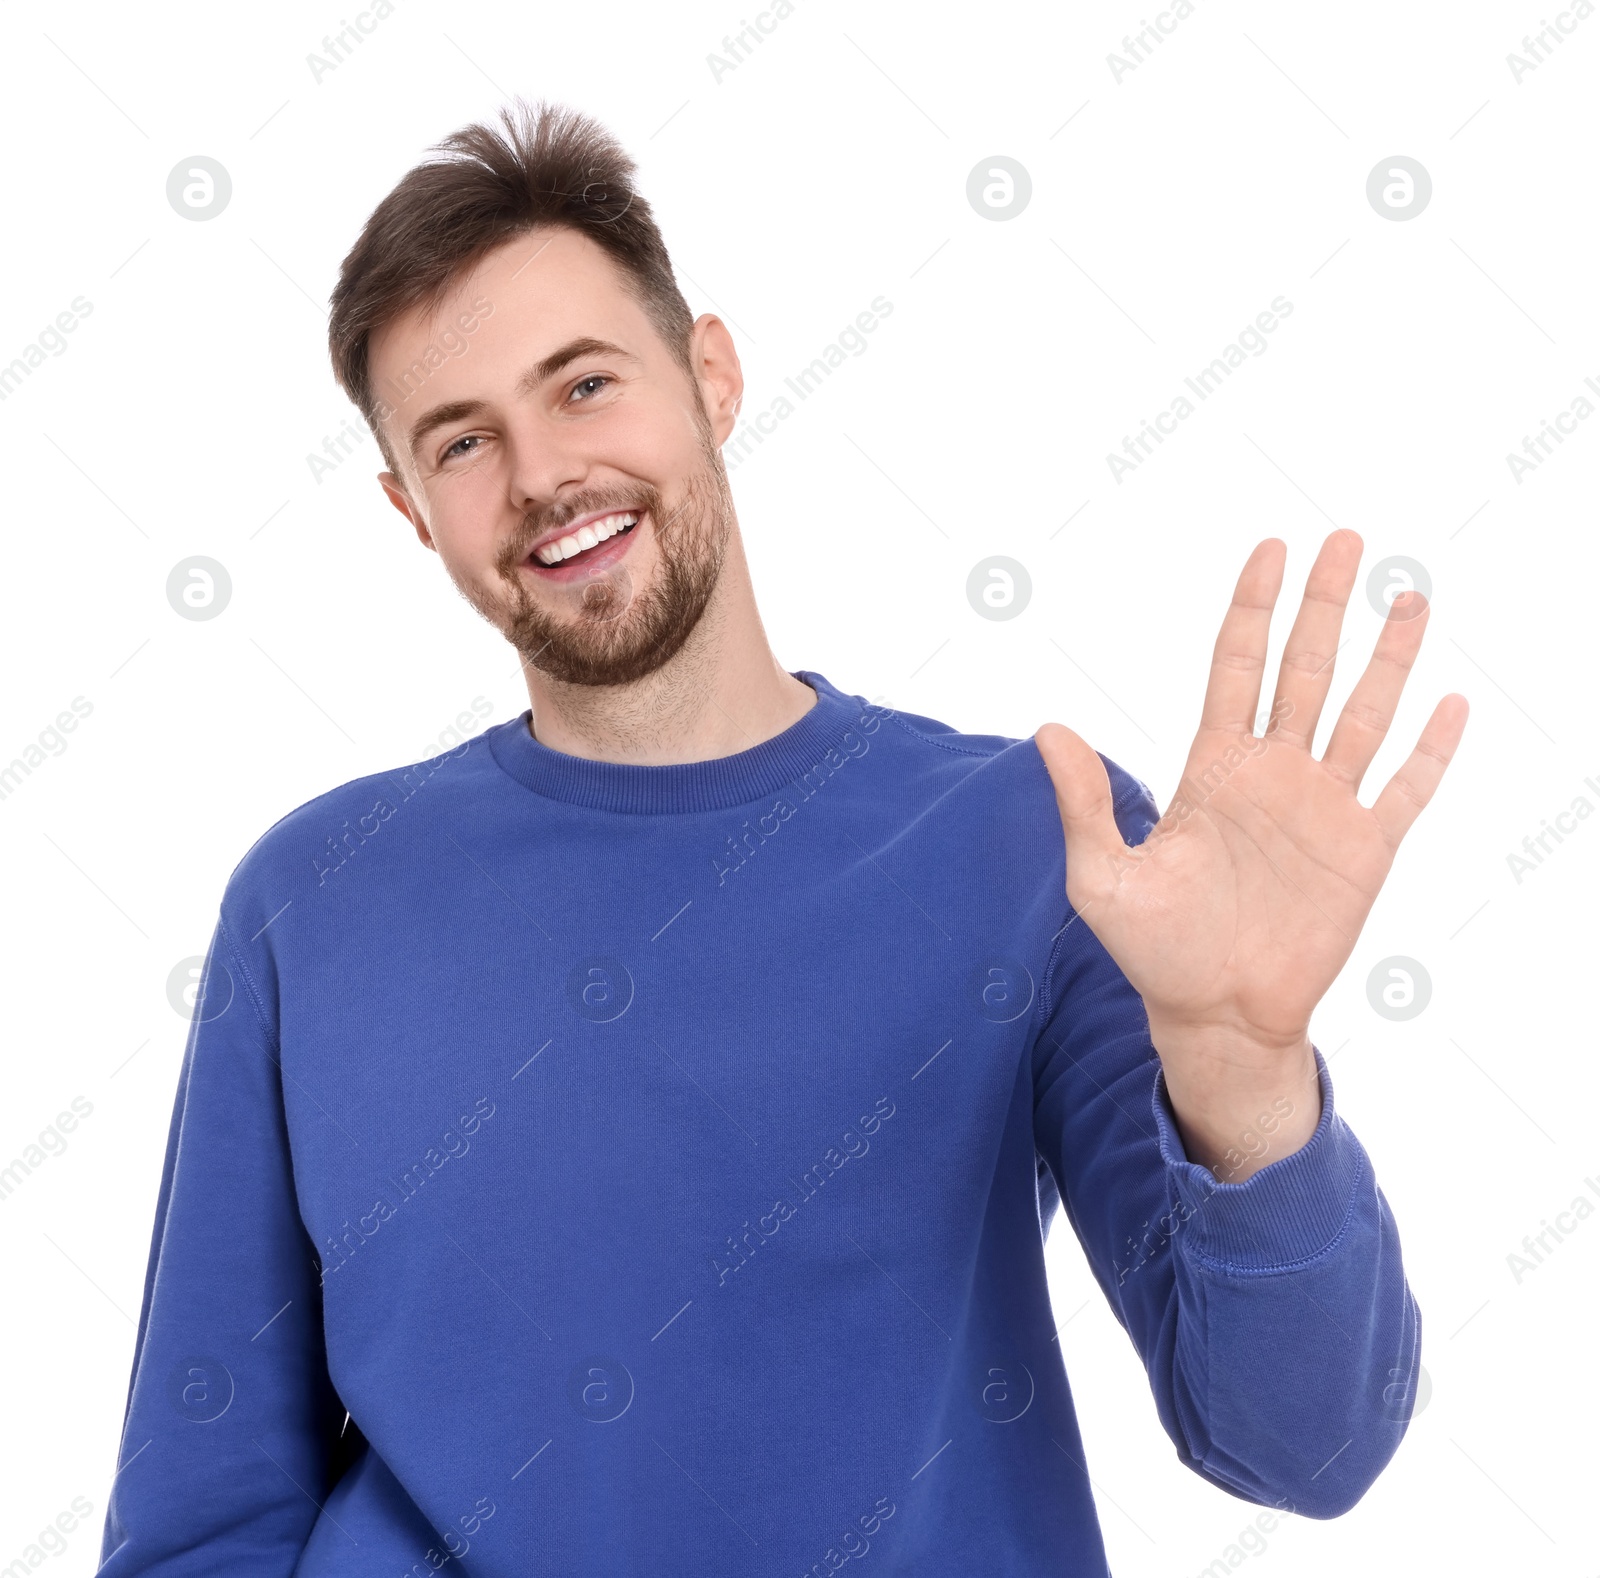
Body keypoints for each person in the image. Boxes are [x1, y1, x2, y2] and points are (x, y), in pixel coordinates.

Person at [96, 97, 1467, 1577]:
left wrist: (1244, 1066)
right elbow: (203, 1519)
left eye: (583, 385)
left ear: (711, 373)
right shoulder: (313, 902)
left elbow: (1303, 1444)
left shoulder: (1036, 844)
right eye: (463, 440)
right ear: (412, 511)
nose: (546, 473)